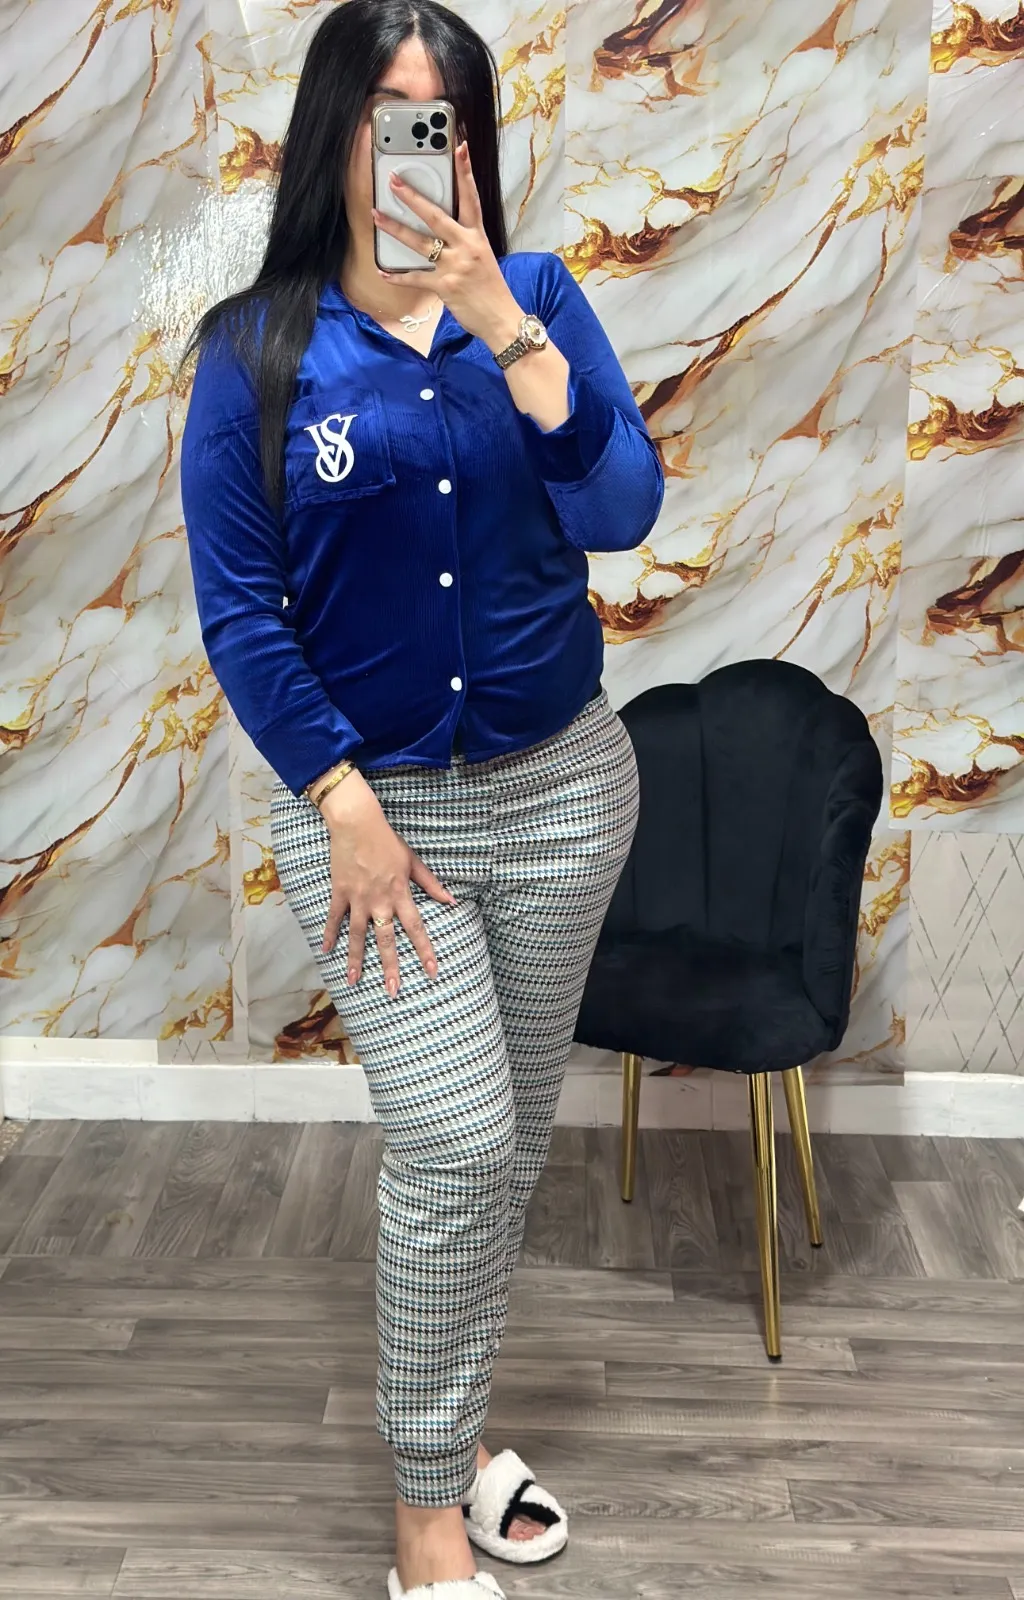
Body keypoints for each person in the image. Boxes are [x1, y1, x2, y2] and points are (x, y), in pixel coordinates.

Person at [179, 3, 664, 1596]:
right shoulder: (256, 351)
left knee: (505, 1155)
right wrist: (341, 800)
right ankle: (422, 1518)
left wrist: (504, 325)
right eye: (392, 111)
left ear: (472, 142)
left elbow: (622, 508)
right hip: (370, 823)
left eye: (443, 116)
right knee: (454, 1146)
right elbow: (243, 614)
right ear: (334, 128)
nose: (417, 145)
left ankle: (451, 1440)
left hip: (564, 794)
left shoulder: (537, 298)